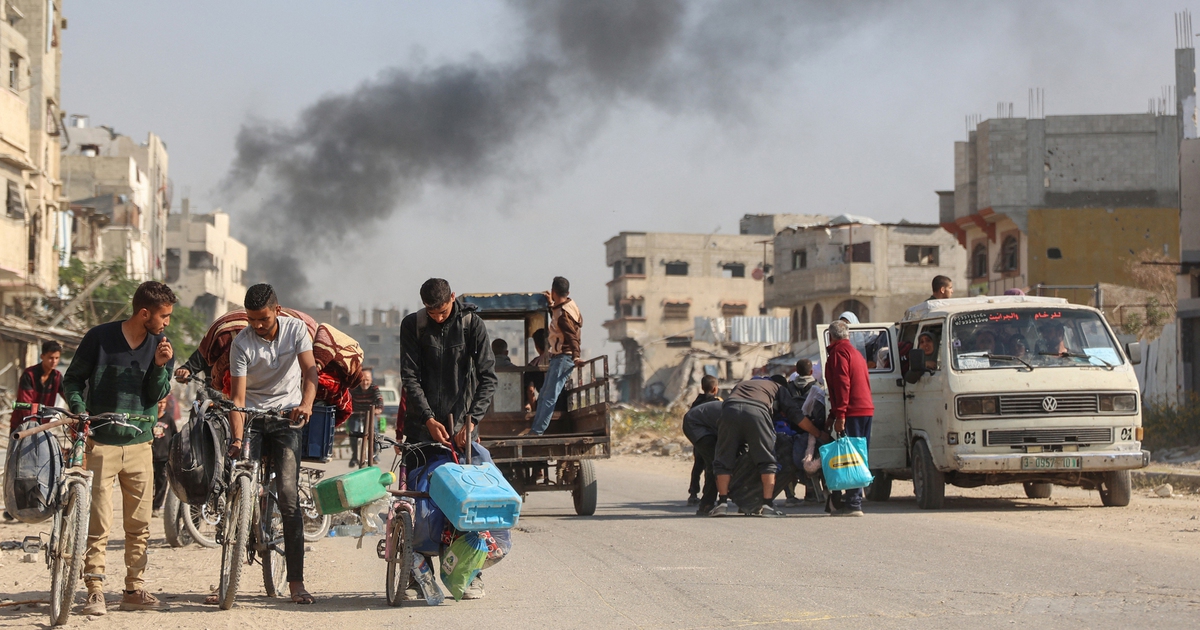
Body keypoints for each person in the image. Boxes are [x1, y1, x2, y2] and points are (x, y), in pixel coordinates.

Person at [64, 281, 176, 615]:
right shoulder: (99, 338)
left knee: (140, 523)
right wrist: (78, 407)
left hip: (141, 444)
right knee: (97, 522)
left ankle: (133, 589)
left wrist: (158, 366)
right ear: (144, 313)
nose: (166, 322)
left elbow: (155, 396)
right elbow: (71, 379)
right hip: (101, 443)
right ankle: (95, 590)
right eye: (163, 315)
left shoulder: (162, 347)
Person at [399, 278, 497, 600]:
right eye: (432, 312)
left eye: (442, 311)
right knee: (420, 500)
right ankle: (416, 572)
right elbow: (409, 377)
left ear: (452, 299)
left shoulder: (472, 325)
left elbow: (487, 378)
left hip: (462, 430)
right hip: (421, 429)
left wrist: (471, 421)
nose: (438, 318)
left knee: (467, 503)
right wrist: (427, 418)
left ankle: (470, 573)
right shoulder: (412, 326)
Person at [225, 283, 319, 605]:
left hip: (286, 418)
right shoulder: (241, 343)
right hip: (251, 416)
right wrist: (237, 438)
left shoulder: (296, 330)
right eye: (251, 320)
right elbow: (237, 398)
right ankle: (229, 566)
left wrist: (305, 404)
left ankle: (296, 583)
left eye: (263, 319)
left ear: (277, 311)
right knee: (236, 480)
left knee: (290, 498)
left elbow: (310, 371)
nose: (257, 325)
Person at [709, 377, 807, 518]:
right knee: (767, 459)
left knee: (724, 457)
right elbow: (795, 414)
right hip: (756, 411)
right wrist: (818, 433)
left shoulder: (745, 384)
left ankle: (722, 504)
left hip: (729, 410)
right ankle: (767, 505)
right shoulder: (778, 387)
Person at [6, 340, 65, 520]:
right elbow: (26, 403)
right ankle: (13, 506)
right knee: (17, 467)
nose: (53, 362)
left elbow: (67, 394)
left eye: (56, 358)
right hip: (22, 427)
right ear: (42, 357)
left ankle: (39, 503)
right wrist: (33, 426)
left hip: (43, 428)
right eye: (50, 358)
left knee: (41, 466)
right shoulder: (29, 374)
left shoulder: (57, 377)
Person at [824, 319, 875, 517]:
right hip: (864, 409)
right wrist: (833, 414)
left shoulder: (838, 353)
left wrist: (841, 415)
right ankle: (853, 500)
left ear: (831, 336)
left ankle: (854, 503)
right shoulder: (856, 353)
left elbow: (842, 385)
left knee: (850, 457)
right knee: (859, 455)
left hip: (852, 411)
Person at [521, 277, 583, 436]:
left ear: (554, 291)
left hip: (564, 357)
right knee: (545, 396)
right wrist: (550, 304)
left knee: (548, 396)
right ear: (567, 292)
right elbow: (558, 319)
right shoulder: (566, 307)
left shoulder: (564, 315)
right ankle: (536, 429)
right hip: (560, 357)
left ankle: (537, 431)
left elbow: (572, 337)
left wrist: (576, 356)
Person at [686, 375, 721, 506]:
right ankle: (709, 495)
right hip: (711, 439)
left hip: (698, 439)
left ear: (702, 387)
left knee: (698, 466)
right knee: (710, 467)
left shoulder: (696, 402)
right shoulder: (717, 402)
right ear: (715, 388)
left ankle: (693, 493)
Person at [682, 400, 722, 515]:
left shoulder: (698, 401)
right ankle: (707, 504)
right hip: (697, 427)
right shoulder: (731, 410)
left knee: (704, 465)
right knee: (715, 464)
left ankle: (698, 496)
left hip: (706, 429)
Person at [348, 367, 383, 468]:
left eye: (367, 380)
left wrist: (378, 409)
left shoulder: (374, 388)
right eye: (362, 380)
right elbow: (347, 399)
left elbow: (379, 399)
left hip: (370, 415)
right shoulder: (354, 389)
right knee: (353, 433)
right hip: (356, 414)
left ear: (371, 380)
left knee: (374, 432)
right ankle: (354, 456)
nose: (365, 382)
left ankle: (375, 455)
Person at [150, 396, 178, 517]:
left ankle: (156, 507)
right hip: (150, 456)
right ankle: (147, 506)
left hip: (163, 457)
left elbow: (174, 435)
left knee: (162, 483)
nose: (161, 405)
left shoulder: (168, 419)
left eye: (164, 403)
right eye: (159, 402)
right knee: (149, 483)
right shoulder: (150, 419)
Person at [524, 329, 549, 412]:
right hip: (562, 404)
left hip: (544, 405)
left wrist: (535, 409)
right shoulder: (559, 360)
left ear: (536, 345)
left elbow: (530, 390)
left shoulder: (533, 364)